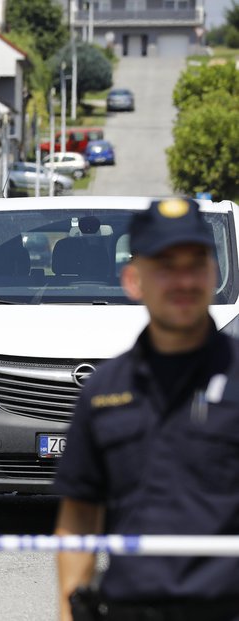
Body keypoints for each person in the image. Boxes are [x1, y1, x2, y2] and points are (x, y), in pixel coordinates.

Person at [54, 197, 239, 621]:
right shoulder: (103, 392)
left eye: (196, 264)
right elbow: (79, 517)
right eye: (165, 266)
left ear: (214, 274)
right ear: (134, 280)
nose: (183, 280)